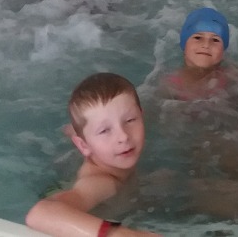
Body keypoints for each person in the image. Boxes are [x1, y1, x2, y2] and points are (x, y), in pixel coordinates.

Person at [26, 72, 159, 237]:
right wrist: (123, 235)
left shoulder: (115, 154)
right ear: (83, 145)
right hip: (58, 193)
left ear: (141, 115)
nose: (123, 136)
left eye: (130, 120)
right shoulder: (100, 182)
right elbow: (41, 214)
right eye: (105, 130)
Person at [163, 7, 232, 100]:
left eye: (215, 40)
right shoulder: (170, 86)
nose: (206, 45)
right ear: (184, 45)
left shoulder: (235, 79)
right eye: (198, 38)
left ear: (223, 51)